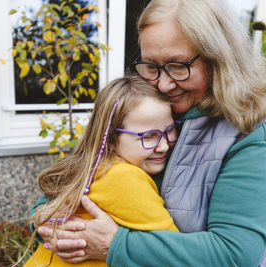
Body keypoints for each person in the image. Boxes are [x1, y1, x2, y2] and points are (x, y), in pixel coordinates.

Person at [33, 0, 266, 266]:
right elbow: (67, 186)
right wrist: (48, 224)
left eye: (178, 66)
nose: (163, 84)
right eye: (151, 66)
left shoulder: (248, 131)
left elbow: (235, 254)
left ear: (217, 59)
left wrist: (115, 245)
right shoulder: (146, 109)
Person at [24, 76, 179, 267]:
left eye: (170, 130)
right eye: (149, 136)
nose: (163, 146)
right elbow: (174, 250)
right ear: (111, 139)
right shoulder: (125, 178)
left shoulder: (93, 168)